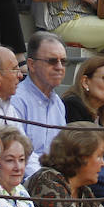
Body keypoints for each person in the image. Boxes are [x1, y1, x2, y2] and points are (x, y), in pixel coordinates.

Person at [10, 31, 66, 176]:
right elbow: (20, 155)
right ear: (32, 65)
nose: (60, 67)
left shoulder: (58, 103)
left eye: (63, 61)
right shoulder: (17, 99)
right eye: (52, 61)